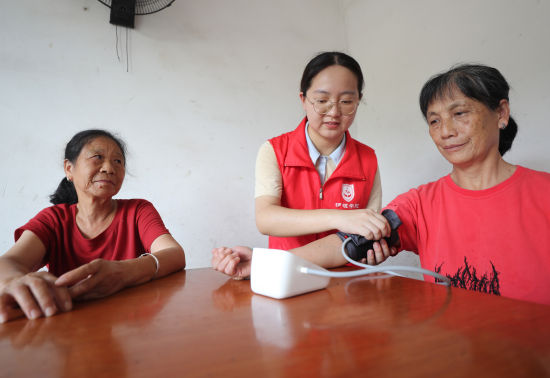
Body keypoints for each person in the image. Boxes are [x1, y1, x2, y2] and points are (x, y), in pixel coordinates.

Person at [213, 64, 550, 305]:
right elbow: (348, 241)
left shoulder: (543, 193)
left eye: (460, 113)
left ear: (501, 113)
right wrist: (260, 262)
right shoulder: (419, 204)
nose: (445, 130)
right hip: (451, 347)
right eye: (434, 120)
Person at [0, 130, 186, 322]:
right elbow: (9, 262)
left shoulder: (138, 210)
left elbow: (174, 254)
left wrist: (125, 272)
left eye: (118, 161)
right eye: (97, 157)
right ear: (69, 169)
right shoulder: (53, 220)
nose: (109, 168)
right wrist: (13, 281)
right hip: (68, 326)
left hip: (130, 326)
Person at [255, 51, 387, 252]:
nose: (334, 112)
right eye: (322, 100)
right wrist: (338, 217)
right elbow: (265, 219)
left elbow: (364, 232)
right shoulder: (274, 151)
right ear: (304, 99)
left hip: (349, 279)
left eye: (346, 101)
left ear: (358, 100)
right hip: (287, 276)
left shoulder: (367, 159)